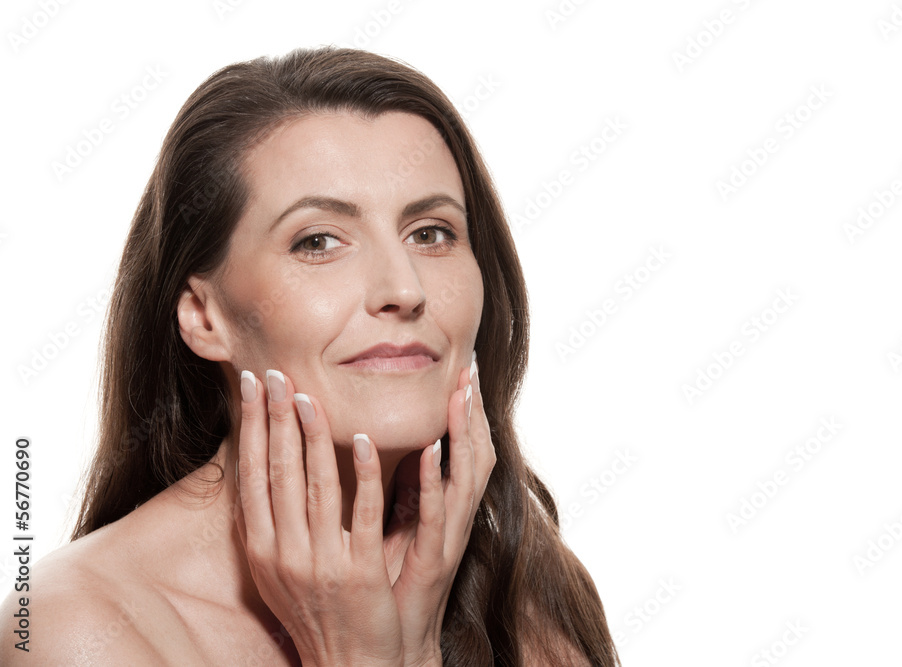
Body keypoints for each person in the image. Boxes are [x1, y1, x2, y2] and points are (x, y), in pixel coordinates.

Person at [1, 46, 619, 666]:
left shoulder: (529, 590)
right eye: (319, 241)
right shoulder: (77, 632)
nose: (403, 289)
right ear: (203, 315)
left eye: (431, 233)